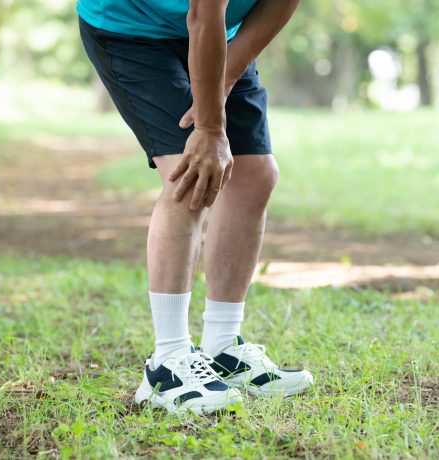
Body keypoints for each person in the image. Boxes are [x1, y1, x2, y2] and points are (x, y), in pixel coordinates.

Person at [77, 0, 312, 415]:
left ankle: (222, 347)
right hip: (131, 27)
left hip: (218, 34)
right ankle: (166, 362)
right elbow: (203, 13)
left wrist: (219, 87)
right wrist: (208, 127)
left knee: (255, 175)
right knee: (190, 177)